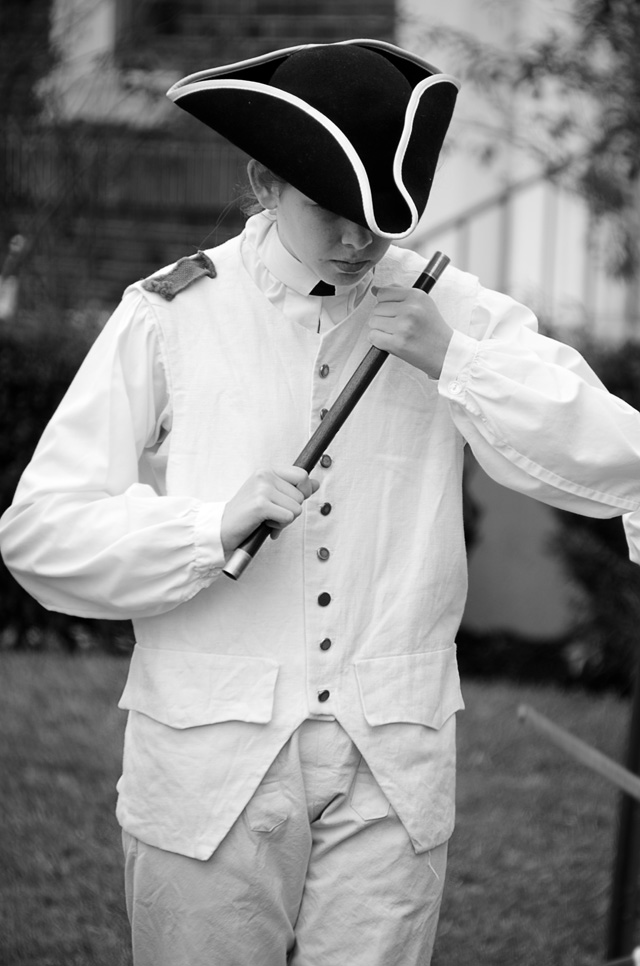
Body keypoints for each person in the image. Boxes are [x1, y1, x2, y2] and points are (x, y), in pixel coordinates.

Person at [2, 38, 640, 966]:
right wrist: (205, 528)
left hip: (392, 764)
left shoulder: (439, 301)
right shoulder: (173, 311)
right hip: (209, 765)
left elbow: (621, 454)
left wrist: (456, 360)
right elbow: (39, 530)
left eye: (378, 222)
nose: (355, 243)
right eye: (331, 211)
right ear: (264, 183)